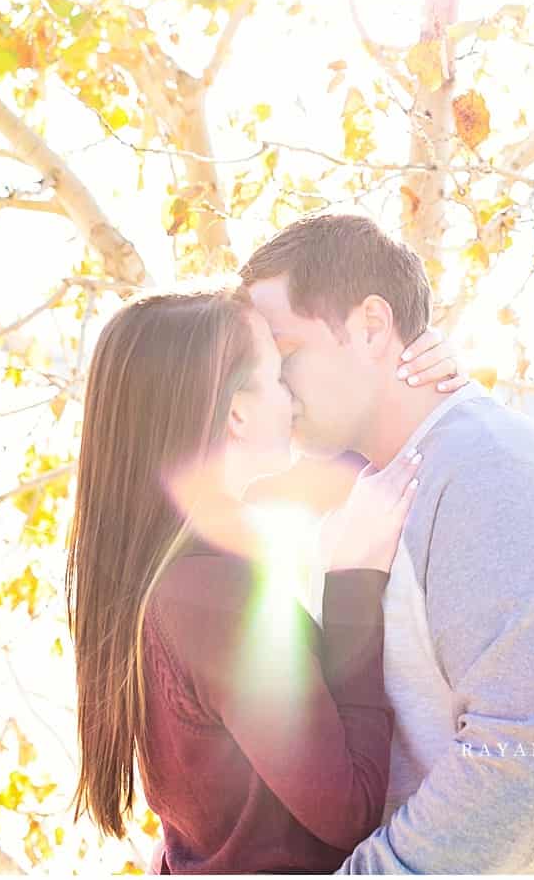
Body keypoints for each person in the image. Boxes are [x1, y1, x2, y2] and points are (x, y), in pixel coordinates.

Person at [240, 212, 534, 874]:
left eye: (283, 350)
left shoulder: (488, 471)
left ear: (371, 327)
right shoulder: (376, 479)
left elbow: (521, 757)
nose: (268, 381)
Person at [64, 286, 467, 874]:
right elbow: (350, 808)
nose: (295, 396)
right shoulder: (217, 598)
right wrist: (354, 580)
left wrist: (410, 381)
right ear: (237, 413)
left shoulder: (161, 572)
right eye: (280, 375)